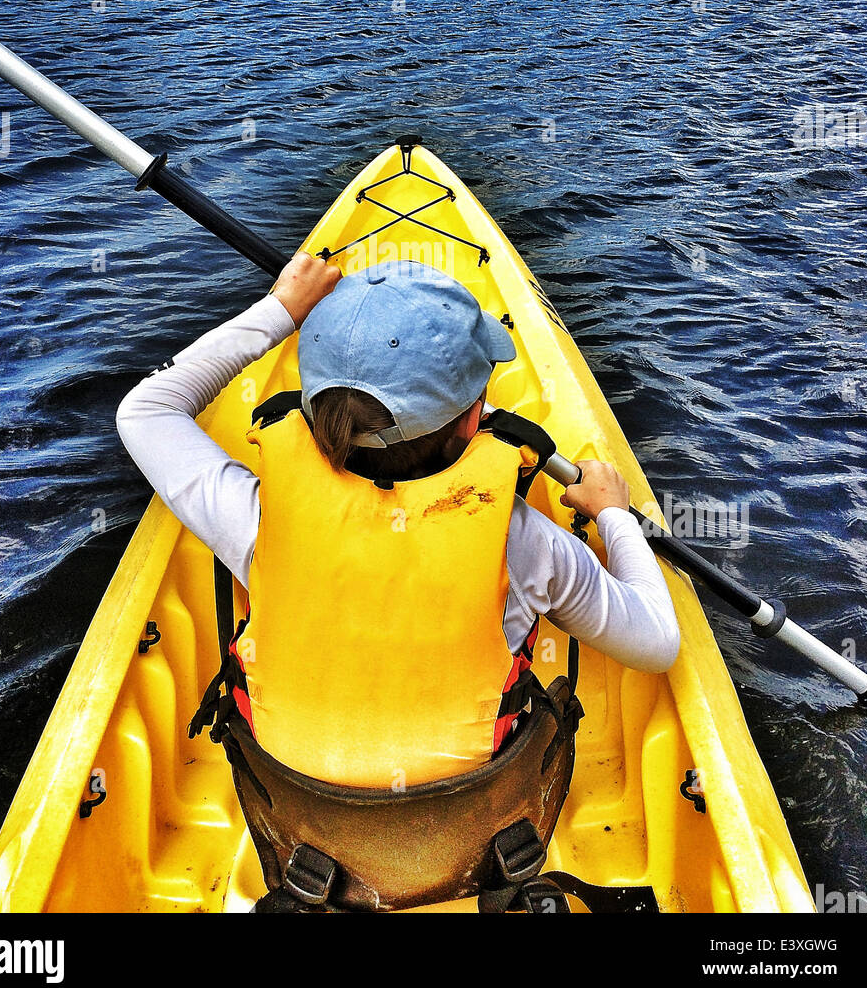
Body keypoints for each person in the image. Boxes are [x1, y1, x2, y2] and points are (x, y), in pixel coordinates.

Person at [116, 251, 680, 795]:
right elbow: (657, 642)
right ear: (471, 424)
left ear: (315, 413)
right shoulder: (529, 544)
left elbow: (146, 410)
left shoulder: (255, 516)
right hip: (467, 805)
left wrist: (283, 307)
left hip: (293, 801)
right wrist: (611, 514)